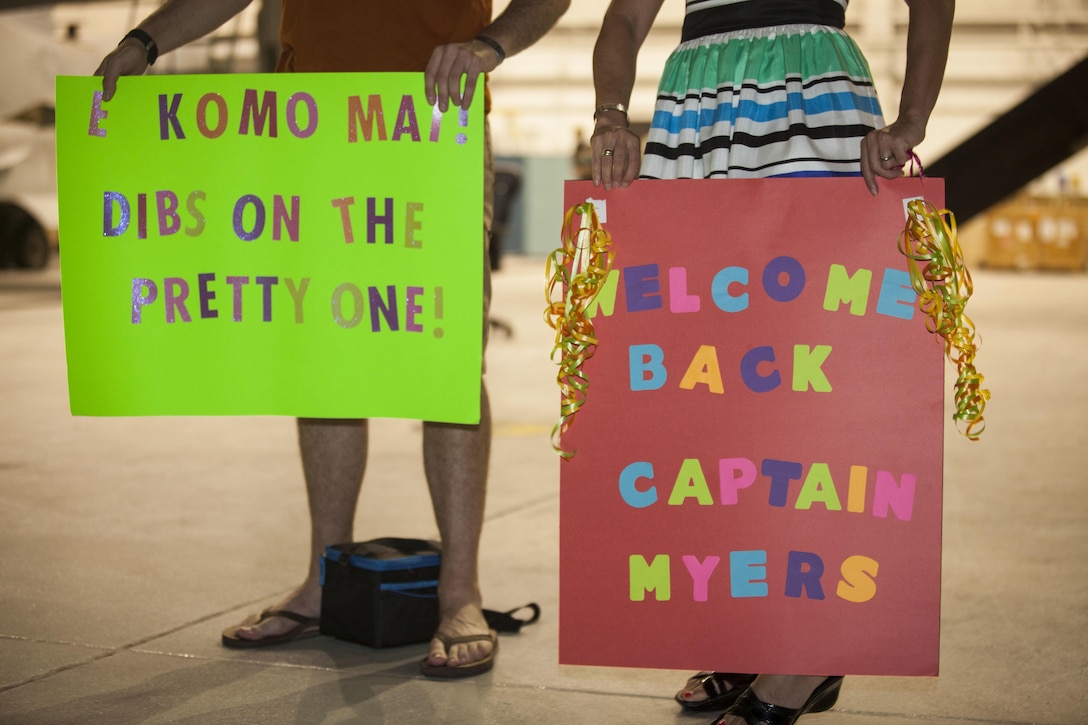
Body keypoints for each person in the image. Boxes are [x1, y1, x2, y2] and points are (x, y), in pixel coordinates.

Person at [95, 0, 569, 679]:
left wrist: (491, 46)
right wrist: (145, 39)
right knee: (323, 358)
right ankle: (324, 579)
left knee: (447, 360)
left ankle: (459, 591)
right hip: (311, 126)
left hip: (432, 117)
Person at [589, 0, 953, 722]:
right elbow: (625, 17)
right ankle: (752, 628)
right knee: (713, 388)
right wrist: (610, 114)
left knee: (816, 386)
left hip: (809, 98)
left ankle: (806, 658)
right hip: (693, 113)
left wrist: (913, 119)